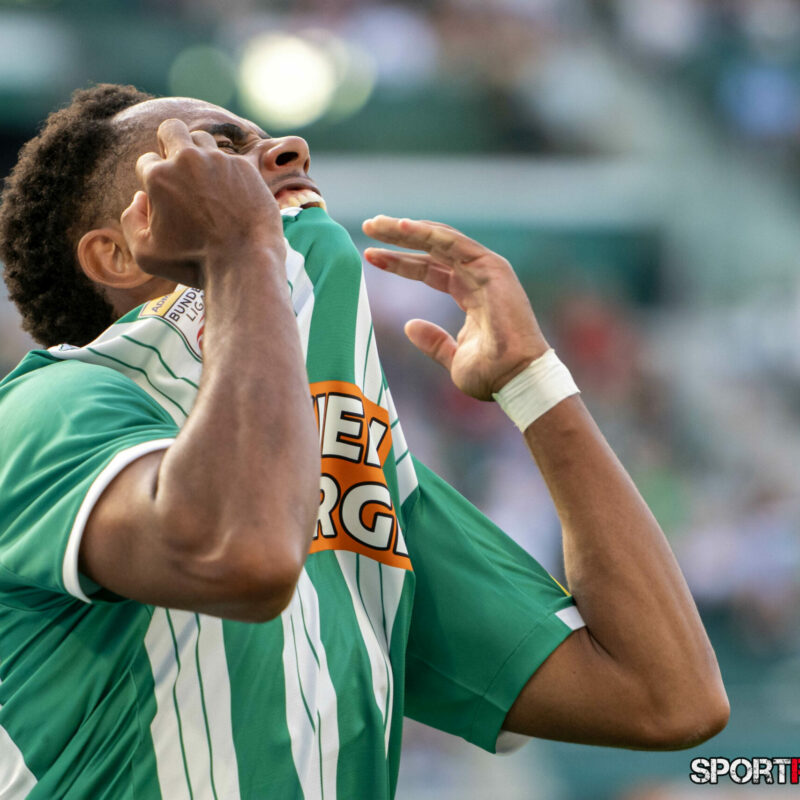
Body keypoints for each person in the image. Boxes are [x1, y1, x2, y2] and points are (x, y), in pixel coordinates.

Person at [0, 84, 728, 799]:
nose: (290, 149)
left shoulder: (352, 465)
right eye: (216, 152)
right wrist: (242, 251)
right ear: (118, 255)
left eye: (265, 140)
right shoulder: (50, 407)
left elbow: (666, 698)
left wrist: (534, 383)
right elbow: (244, 556)